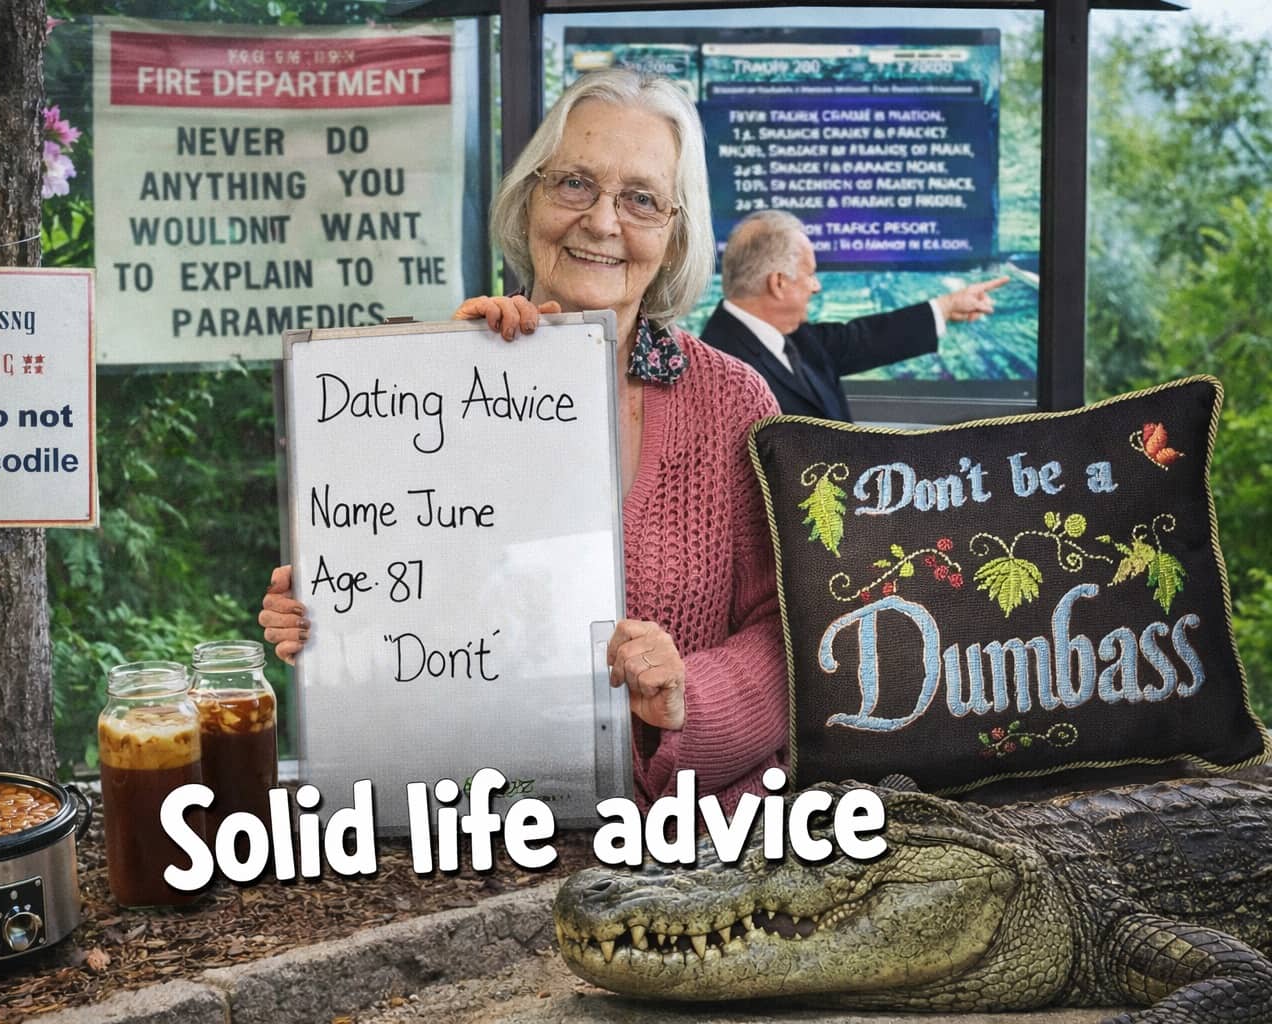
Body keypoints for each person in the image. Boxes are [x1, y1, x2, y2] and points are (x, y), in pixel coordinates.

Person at [260, 68, 788, 812]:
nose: (601, 222)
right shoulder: (418, 389)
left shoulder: (734, 403)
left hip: (698, 841)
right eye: (574, 183)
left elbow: (784, 634)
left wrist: (685, 698)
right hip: (478, 824)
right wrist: (327, 620)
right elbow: (394, 622)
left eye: (641, 199)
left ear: (674, 237)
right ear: (529, 200)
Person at [701, 209, 1010, 421]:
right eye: (810, 274)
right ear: (779, 283)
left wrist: (947, 306)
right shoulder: (715, 371)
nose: (817, 286)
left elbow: (865, 338)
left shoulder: (797, 337)